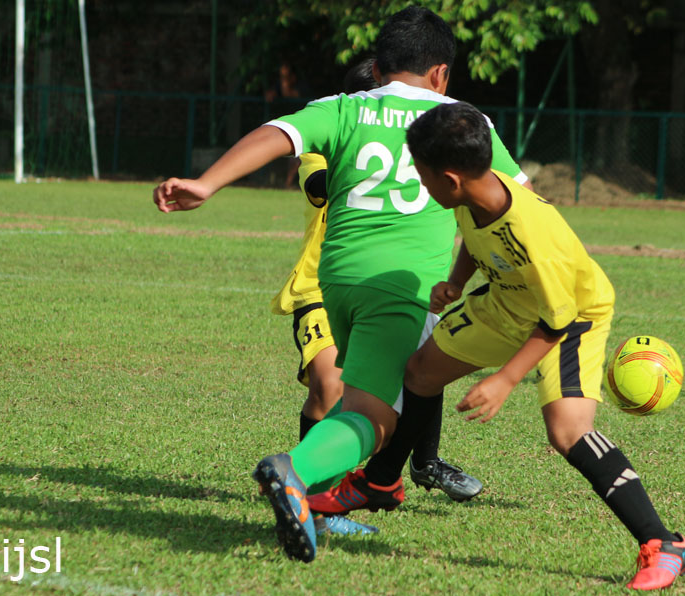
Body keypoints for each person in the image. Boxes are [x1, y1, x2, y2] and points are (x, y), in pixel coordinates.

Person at [153, 6, 530, 563]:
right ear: (441, 73)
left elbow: (278, 133)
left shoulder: (344, 107)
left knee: (365, 399)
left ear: (377, 67)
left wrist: (207, 184)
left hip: (337, 280)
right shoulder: (461, 121)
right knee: (374, 420)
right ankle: (294, 471)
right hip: (403, 286)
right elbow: (518, 198)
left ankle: (317, 497)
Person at [400, 101, 685, 591]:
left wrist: (504, 380)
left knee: (568, 431)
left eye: (422, 173)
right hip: (510, 300)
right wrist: (457, 281)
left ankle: (664, 543)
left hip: (572, 315)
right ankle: (380, 483)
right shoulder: (477, 193)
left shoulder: (535, 232)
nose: (420, 181)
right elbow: (476, 236)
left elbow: (558, 320)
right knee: (420, 373)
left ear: (450, 179)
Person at [276, 57, 482, 508]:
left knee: (419, 368)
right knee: (329, 388)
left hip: (388, 285)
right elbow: (319, 186)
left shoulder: (419, 149)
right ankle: (308, 488)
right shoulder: (328, 140)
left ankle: (417, 463)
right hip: (320, 287)